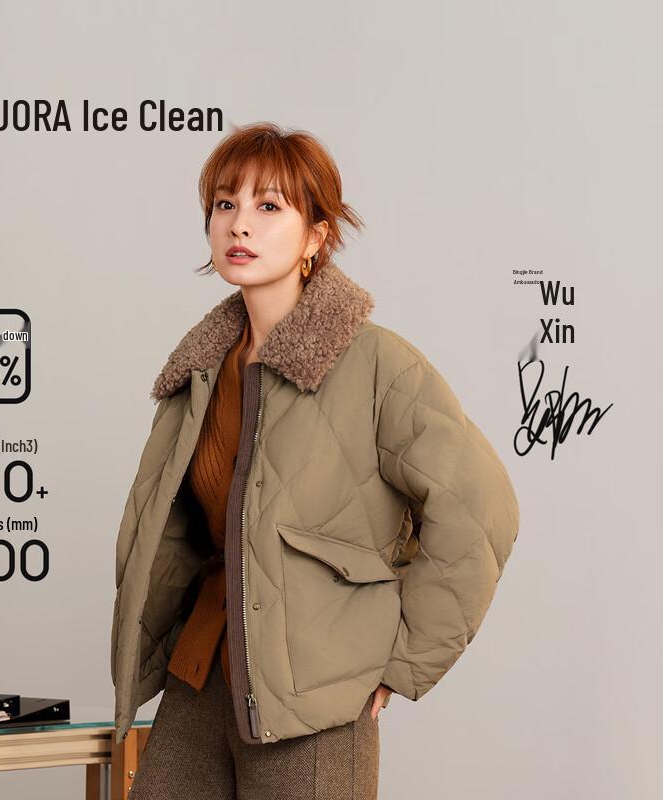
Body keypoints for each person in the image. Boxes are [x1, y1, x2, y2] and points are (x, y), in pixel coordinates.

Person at [111, 122, 520, 799]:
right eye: (225, 204)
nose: (240, 223)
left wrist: (401, 663)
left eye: (269, 206)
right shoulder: (200, 373)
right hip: (200, 677)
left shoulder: (376, 363)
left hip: (315, 700)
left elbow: (481, 511)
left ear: (316, 236)